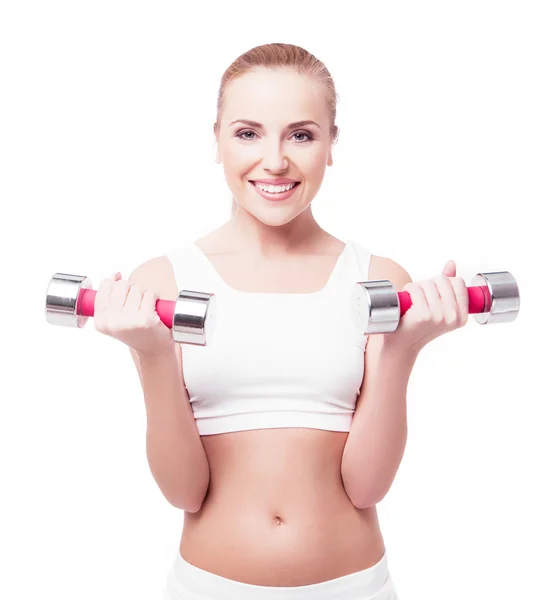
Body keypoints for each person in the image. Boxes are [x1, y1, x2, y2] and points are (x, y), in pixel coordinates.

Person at [93, 43, 469, 600]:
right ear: (216, 139)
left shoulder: (376, 279)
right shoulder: (165, 282)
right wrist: (151, 353)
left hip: (355, 587)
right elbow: (184, 491)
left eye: (301, 134)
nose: (274, 160)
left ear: (331, 144)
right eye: (248, 133)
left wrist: (402, 351)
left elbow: (367, 486)